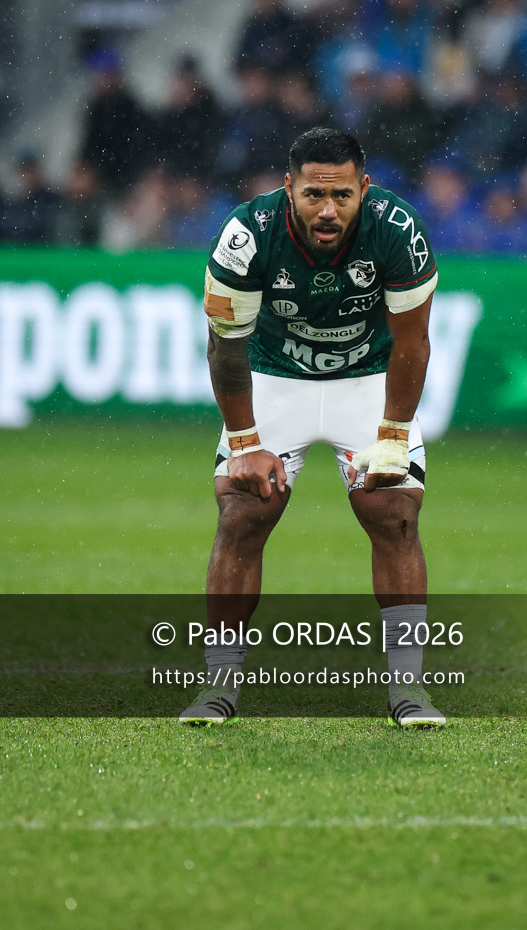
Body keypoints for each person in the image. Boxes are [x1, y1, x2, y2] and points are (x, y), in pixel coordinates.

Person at [180, 127, 445, 729]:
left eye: (343, 196)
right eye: (313, 195)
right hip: (275, 377)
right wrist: (245, 446)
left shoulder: (399, 231)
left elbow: (413, 343)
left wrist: (394, 435)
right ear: (288, 189)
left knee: (396, 512)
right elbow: (225, 348)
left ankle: (409, 691)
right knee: (242, 514)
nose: (328, 211)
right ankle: (217, 686)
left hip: (368, 376)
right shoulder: (246, 236)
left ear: (364, 189)